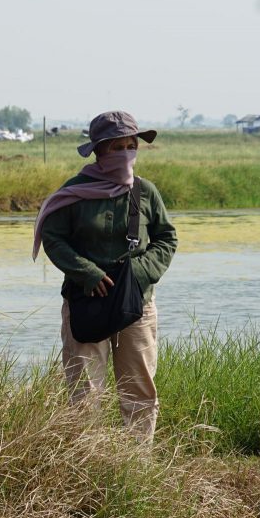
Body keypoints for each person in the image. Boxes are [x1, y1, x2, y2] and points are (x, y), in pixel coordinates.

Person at [33, 110, 177, 442]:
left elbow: (167, 238)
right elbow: (53, 239)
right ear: (99, 151)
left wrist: (138, 275)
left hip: (137, 304)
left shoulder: (145, 192)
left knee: (139, 391)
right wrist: (87, 273)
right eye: (117, 147)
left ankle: (136, 466)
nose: (127, 153)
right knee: (84, 393)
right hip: (85, 302)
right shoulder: (73, 193)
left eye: (132, 146)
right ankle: (85, 462)